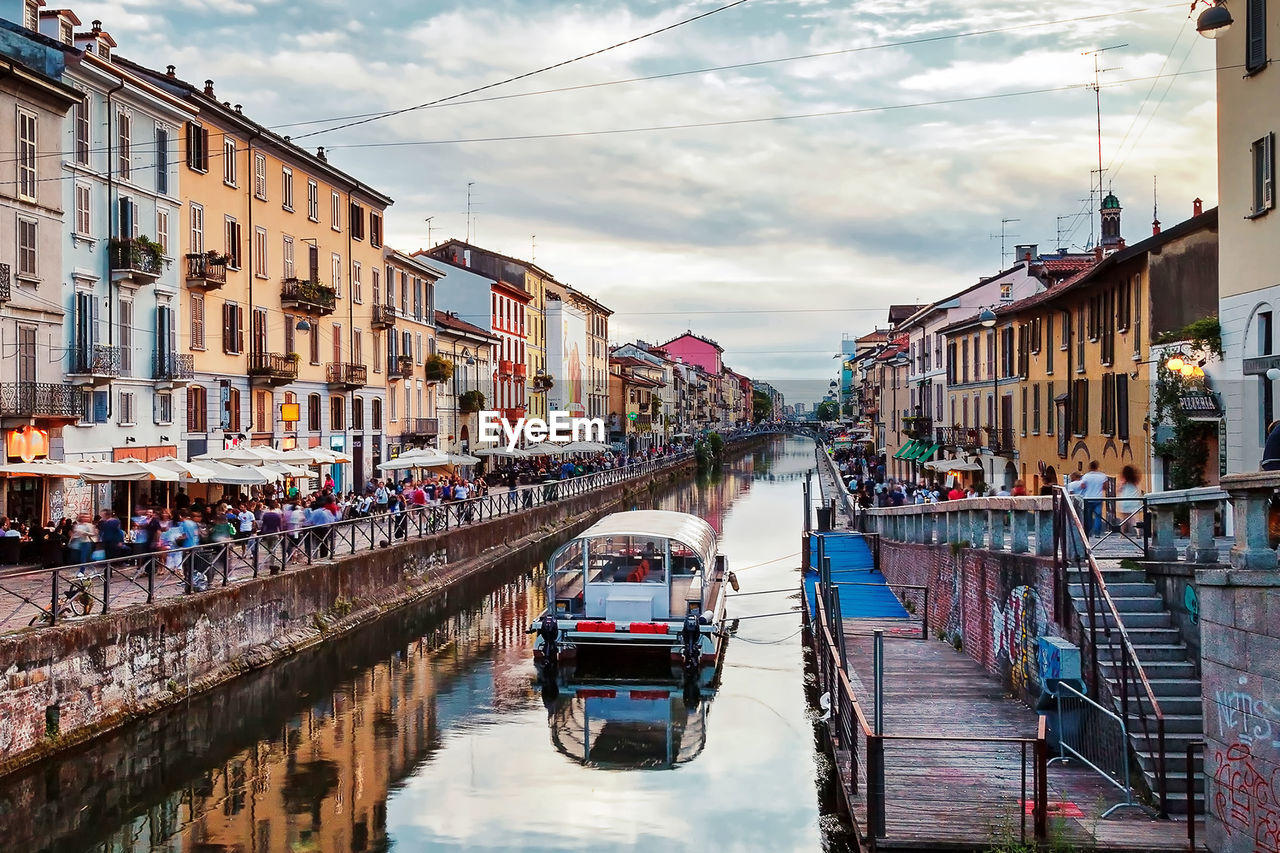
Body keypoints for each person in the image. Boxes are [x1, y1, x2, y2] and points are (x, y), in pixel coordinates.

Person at [1080, 460, 1110, 536]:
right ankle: (1097, 533)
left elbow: (1082, 486)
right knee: (1098, 516)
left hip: (1088, 498)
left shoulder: (1086, 476)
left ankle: (1088, 532)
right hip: (1098, 498)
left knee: (1088, 516)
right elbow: (1105, 487)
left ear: (1090, 467)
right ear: (1097, 466)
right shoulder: (1102, 476)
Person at [1117, 465, 1144, 534]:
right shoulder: (1135, 480)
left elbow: (1119, 490)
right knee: (1135, 518)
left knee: (1124, 519)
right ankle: (1138, 533)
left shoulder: (1123, 480)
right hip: (1134, 499)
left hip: (1125, 500)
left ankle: (1122, 534)